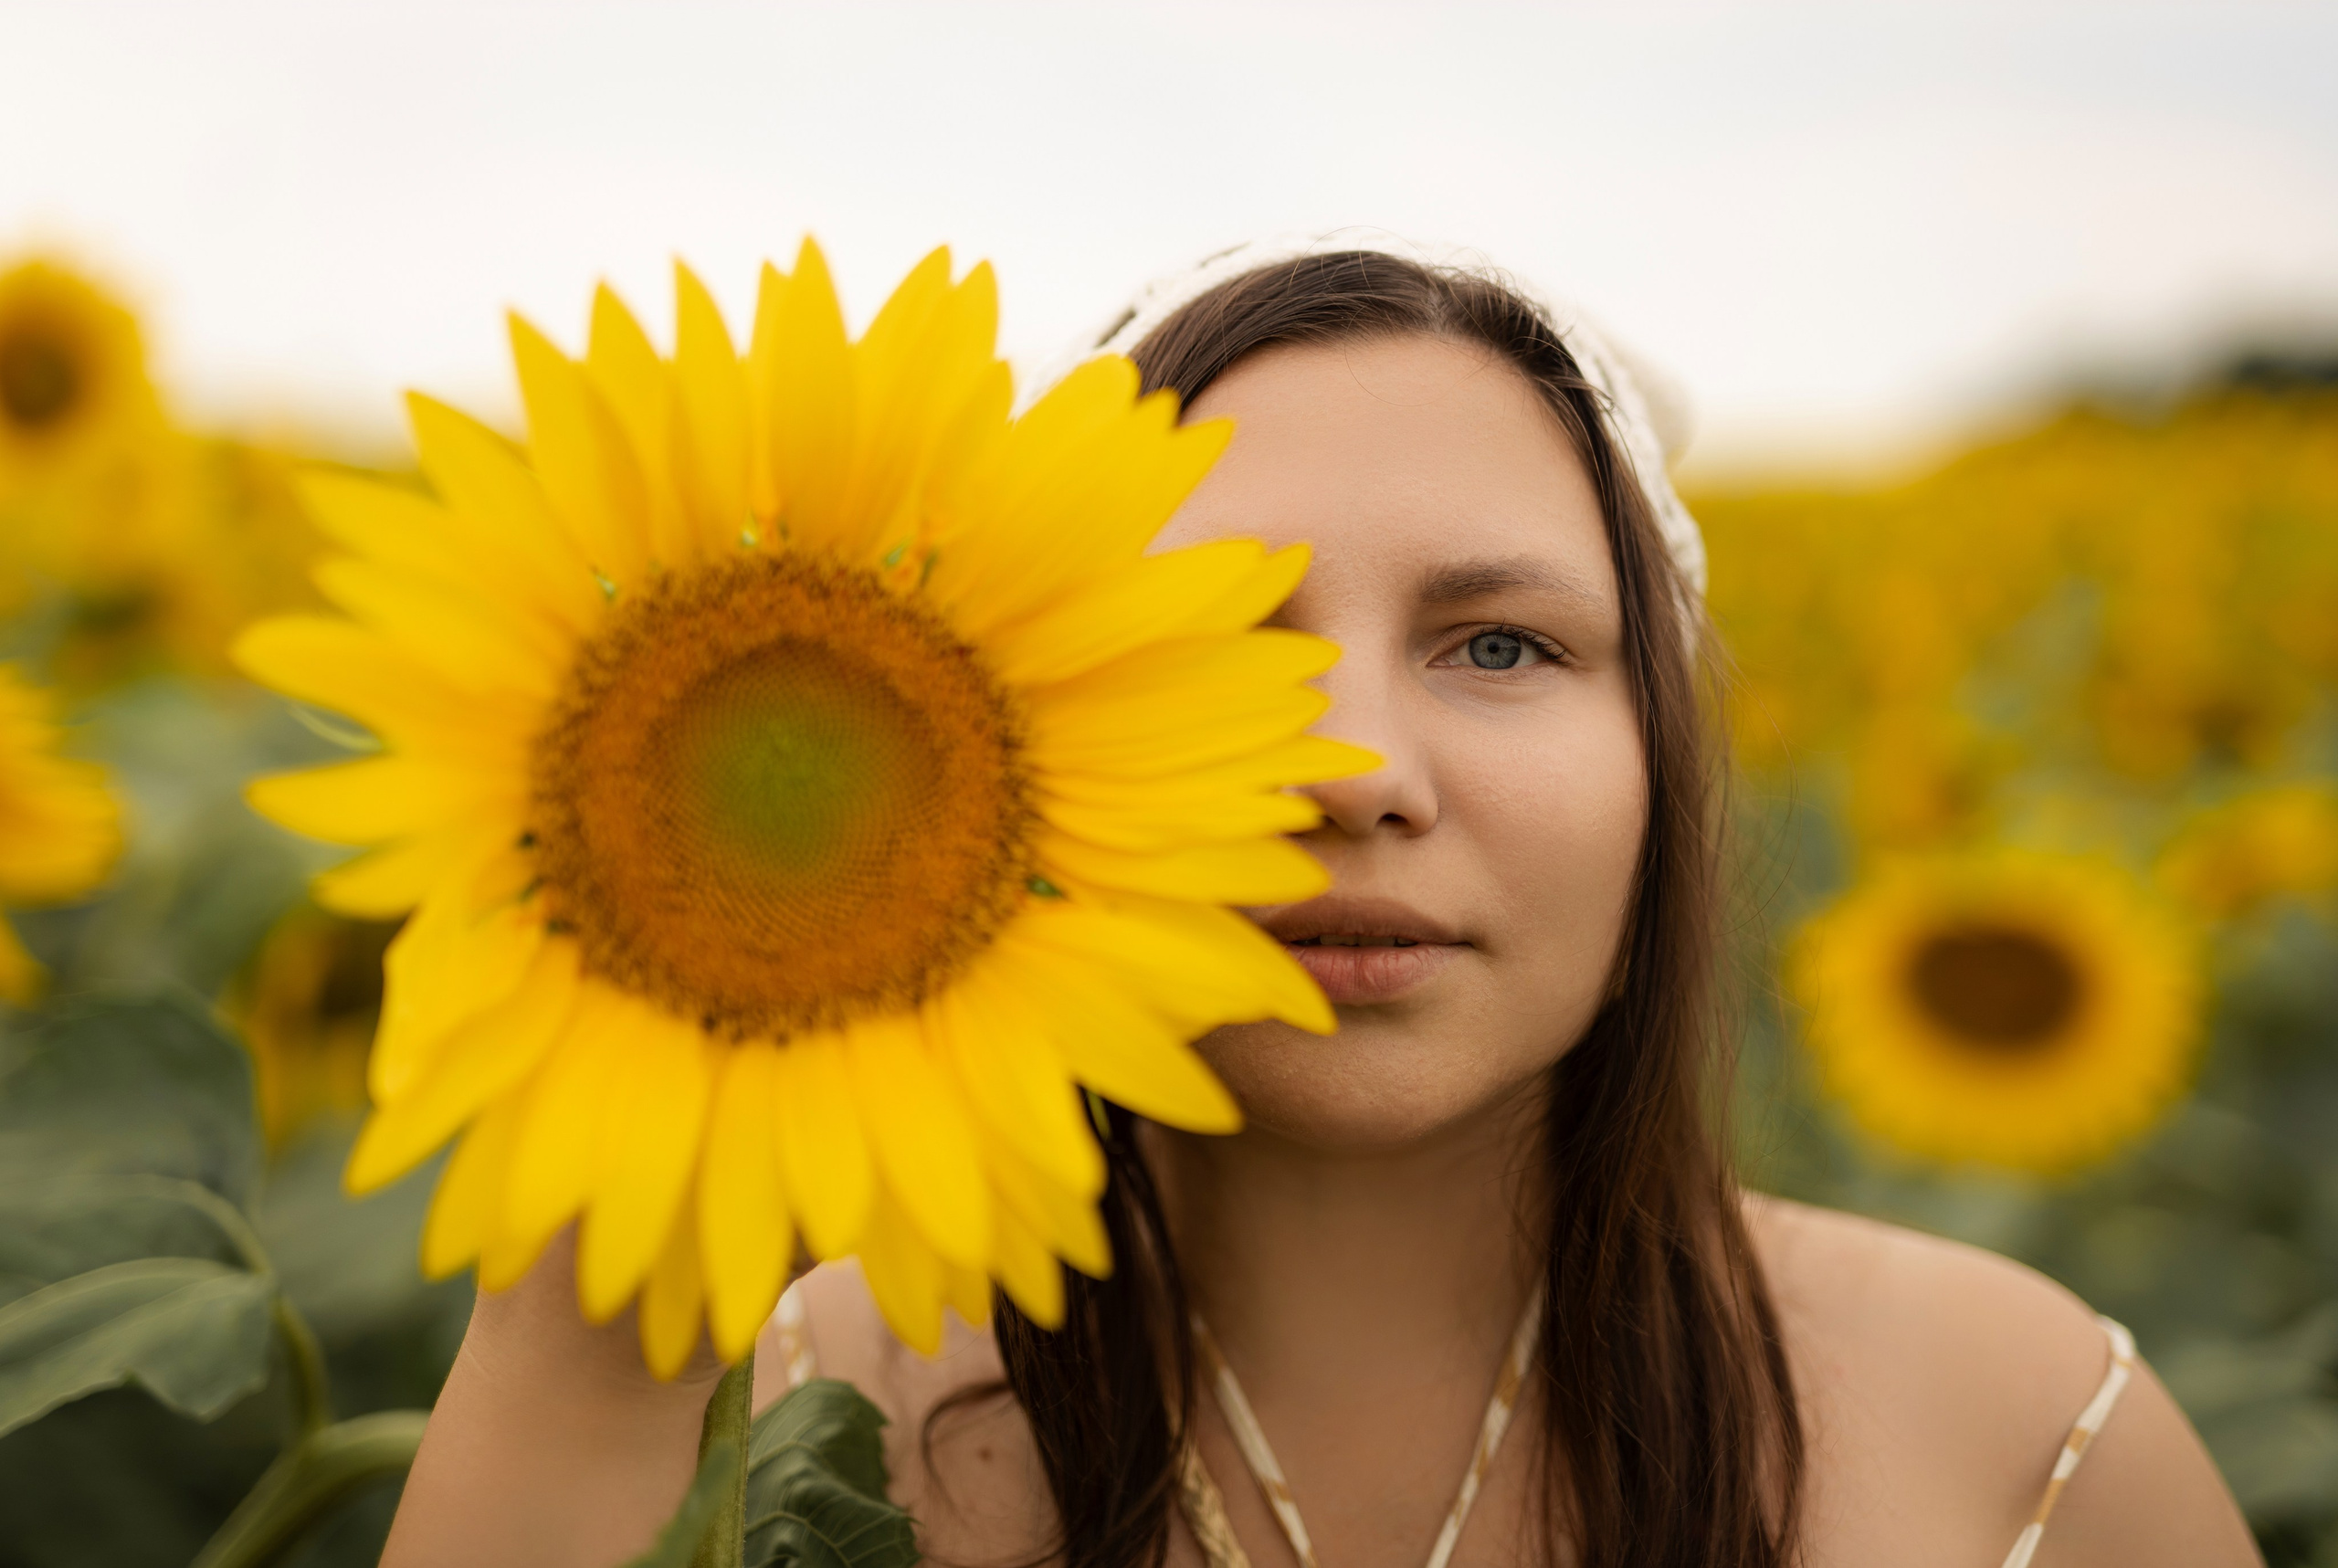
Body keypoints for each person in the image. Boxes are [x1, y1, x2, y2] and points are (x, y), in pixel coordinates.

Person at [379, 239, 2260, 1568]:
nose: (1357, 769)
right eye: (1228, 647)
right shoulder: (786, 1394)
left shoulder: (2023, 1436)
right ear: (994, 741)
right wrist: (591, 1347)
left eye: (1500, 643)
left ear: (1661, 755)